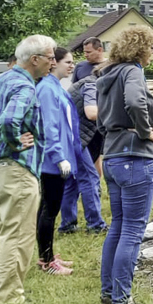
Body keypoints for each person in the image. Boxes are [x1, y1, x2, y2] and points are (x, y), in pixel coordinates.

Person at [0, 34, 55, 304]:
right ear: (34, 59)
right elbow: (8, 120)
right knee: (18, 234)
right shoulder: (26, 87)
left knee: (0, 230)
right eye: (50, 57)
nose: (52, 62)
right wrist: (15, 142)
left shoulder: (1, 80)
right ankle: (10, 297)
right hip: (16, 169)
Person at [97, 27, 153, 304]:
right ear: (140, 49)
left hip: (112, 156)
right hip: (134, 158)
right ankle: (122, 300)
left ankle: (108, 293)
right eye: (151, 47)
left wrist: (115, 133)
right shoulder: (132, 72)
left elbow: (100, 120)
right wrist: (145, 130)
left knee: (118, 226)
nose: (152, 53)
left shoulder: (106, 75)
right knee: (133, 231)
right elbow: (135, 101)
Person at [34, 47, 78, 276]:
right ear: (54, 63)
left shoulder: (56, 87)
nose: (72, 66)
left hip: (59, 156)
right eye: (67, 62)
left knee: (50, 208)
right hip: (52, 161)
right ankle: (46, 260)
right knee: (49, 210)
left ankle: (48, 255)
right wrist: (58, 156)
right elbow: (49, 125)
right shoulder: (47, 89)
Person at [59, 63, 107, 235]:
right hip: (75, 138)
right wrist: (114, 113)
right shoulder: (91, 85)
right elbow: (91, 112)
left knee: (72, 181)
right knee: (89, 178)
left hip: (68, 137)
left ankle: (67, 225)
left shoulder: (87, 82)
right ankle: (95, 225)